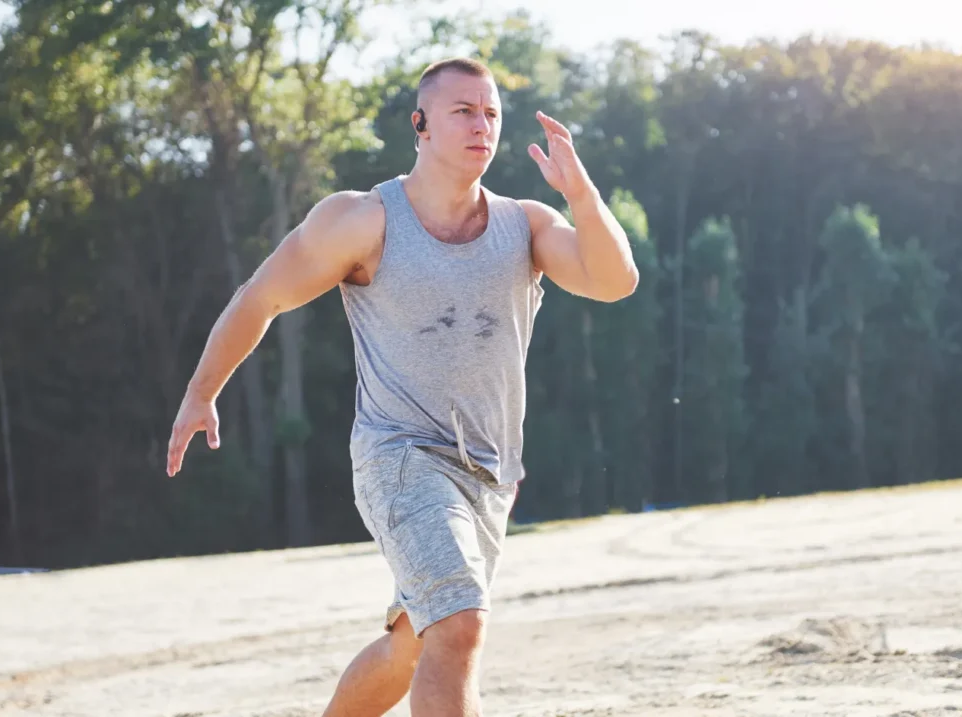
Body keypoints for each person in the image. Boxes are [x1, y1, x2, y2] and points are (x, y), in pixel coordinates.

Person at [165, 57, 639, 717]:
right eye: (464, 111)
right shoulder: (363, 220)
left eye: (493, 112)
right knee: (462, 621)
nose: (483, 125)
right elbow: (261, 298)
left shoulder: (524, 225)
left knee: (412, 647)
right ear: (420, 124)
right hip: (400, 455)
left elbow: (614, 280)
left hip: (489, 476)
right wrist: (201, 391)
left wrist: (581, 195)